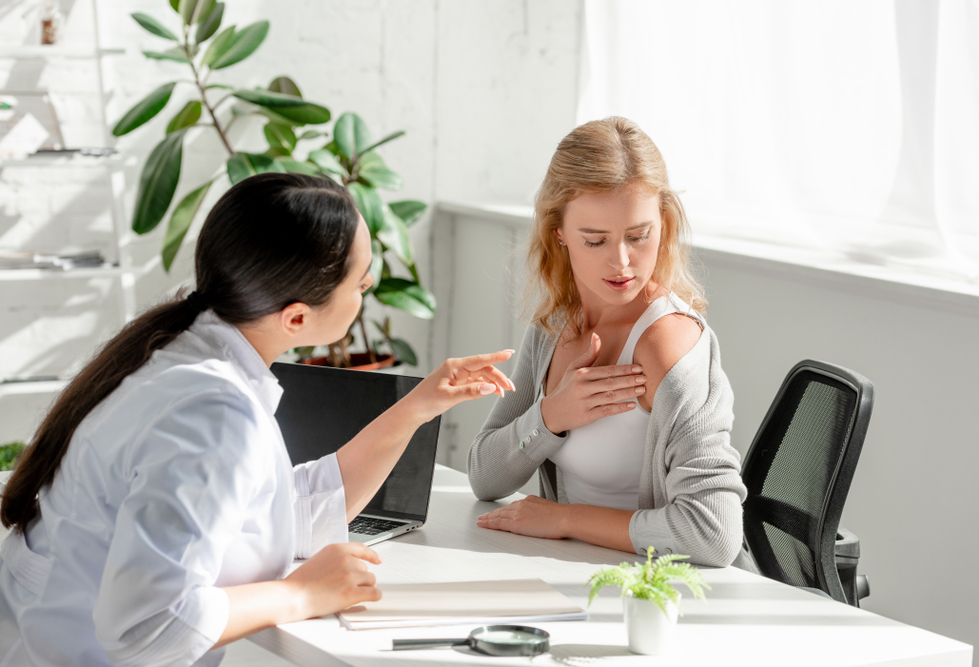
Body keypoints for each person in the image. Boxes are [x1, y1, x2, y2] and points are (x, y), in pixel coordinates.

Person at [0, 173, 515, 667]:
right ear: (295, 318)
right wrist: (298, 593)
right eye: (361, 284)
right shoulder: (211, 411)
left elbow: (276, 511)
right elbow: (147, 630)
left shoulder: (182, 352)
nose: (369, 289)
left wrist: (417, 407)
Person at [468, 117, 748, 568]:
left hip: (658, 591)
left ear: (664, 222)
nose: (622, 262)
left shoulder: (666, 344)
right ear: (559, 233)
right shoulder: (555, 326)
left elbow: (713, 534)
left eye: (639, 236)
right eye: (595, 240)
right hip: (569, 573)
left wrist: (566, 520)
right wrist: (553, 414)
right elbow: (485, 476)